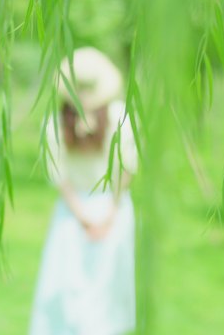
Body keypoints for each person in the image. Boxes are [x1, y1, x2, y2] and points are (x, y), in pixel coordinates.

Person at [29, 47, 138, 335]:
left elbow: (125, 168)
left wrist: (105, 215)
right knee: (69, 285)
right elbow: (61, 175)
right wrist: (88, 216)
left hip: (99, 207)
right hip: (82, 208)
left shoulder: (118, 117)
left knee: (105, 285)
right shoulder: (57, 124)